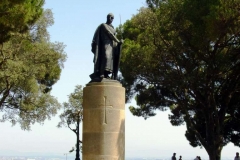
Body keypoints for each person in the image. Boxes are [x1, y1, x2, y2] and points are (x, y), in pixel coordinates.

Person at [90, 13, 123, 81]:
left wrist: (119, 43)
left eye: (112, 18)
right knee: (106, 56)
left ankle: (106, 74)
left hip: (112, 45)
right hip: (104, 44)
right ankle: (101, 73)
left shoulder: (113, 28)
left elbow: (113, 35)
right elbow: (109, 34)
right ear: (107, 17)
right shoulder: (103, 25)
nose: (111, 19)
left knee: (110, 60)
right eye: (110, 17)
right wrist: (118, 40)